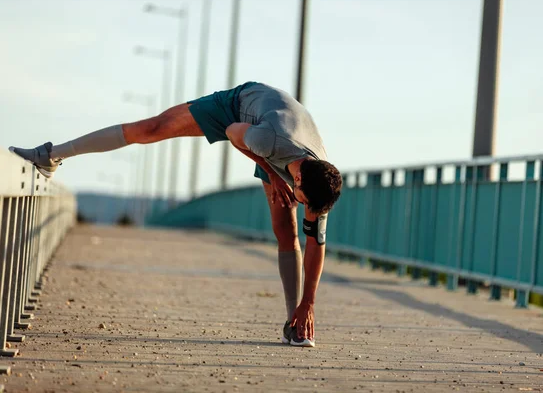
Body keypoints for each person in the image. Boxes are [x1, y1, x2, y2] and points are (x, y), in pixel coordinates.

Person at [9, 81, 343, 348]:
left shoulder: (319, 182)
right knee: (152, 128)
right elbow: (233, 133)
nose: (307, 211)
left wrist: (309, 302)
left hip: (277, 141)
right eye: (304, 201)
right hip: (241, 107)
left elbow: (316, 241)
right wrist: (269, 171)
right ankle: (51, 155)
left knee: (287, 231)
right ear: (297, 179)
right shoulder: (268, 140)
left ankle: (295, 324)